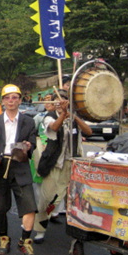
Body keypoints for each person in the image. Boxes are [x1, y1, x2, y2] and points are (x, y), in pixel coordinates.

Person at [0, 84, 38, 255]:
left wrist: (28, 147)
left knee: (29, 205)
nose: (11, 101)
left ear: (20, 100)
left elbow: (32, 142)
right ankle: (4, 239)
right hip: (0, 165)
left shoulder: (28, 121)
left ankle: (25, 240)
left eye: (15, 97)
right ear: (3, 101)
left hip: (19, 164)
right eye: (7, 98)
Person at [32, 90, 92, 244]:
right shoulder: (49, 117)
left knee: (63, 196)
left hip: (70, 162)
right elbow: (54, 128)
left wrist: (74, 116)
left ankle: (75, 228)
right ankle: (39, 229)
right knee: (46, 197)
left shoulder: (73, 118)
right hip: (53, 163)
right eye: (56, 100)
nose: (59, 102)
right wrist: (63, 114)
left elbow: (88, 131)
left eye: (63, 100)